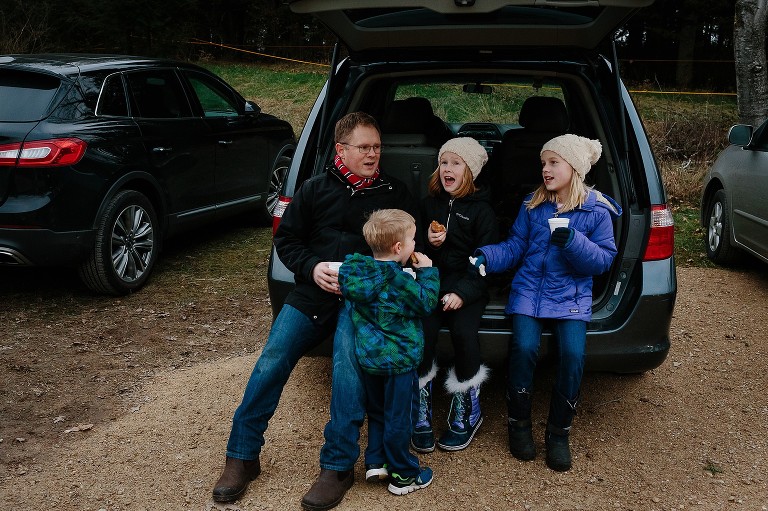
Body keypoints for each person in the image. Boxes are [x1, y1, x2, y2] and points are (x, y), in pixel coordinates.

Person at [211, 112, 418, 510]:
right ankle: (241, 456)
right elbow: (287, 240)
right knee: (272, 359)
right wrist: (312, 267)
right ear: (341, 150)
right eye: (364, 148)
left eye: (377, 147)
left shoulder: (396, 192)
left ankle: (337, 467)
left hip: (363, 303)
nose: (373, 155)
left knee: (345, 370)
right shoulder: (315, 188)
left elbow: (408, 245)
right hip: (313, 293)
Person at [471, 134, 621, 471]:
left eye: (554, 163)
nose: (546, 170)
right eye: (543, 163)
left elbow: (602, 261)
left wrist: (573, 241)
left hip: (570, 294)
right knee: (523, 349)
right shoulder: (533, 205)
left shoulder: (596, 211)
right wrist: (485, 256)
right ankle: (519, 424)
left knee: (572, 355)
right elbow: (515, 247)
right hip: (528, 291)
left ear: (576, 168)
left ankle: (558, 433)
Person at [337, 209, 440, 496]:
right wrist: (428, 272)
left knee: (378, 411)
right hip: (400, 362)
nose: (415, 246)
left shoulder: (357, 273)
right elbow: (426, 302)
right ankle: (404, 475)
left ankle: (376, 461)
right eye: (412, 241)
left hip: (370, 359)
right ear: (398, 248)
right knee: (400, 417)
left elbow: (347, 274)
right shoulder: (400, 281)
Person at [411, 137, 498, 454]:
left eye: (456, 164)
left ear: (471, 172)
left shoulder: (483, 212)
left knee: (464, 333)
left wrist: (463, 292)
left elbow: (488, 263)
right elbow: (412, 248)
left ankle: (467, 411)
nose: (447, 169)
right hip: (432, 281)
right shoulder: (428, 204)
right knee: (424, 331)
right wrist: (430, 245)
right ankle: (419, 410)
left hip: (468, 285)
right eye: (444, 162)